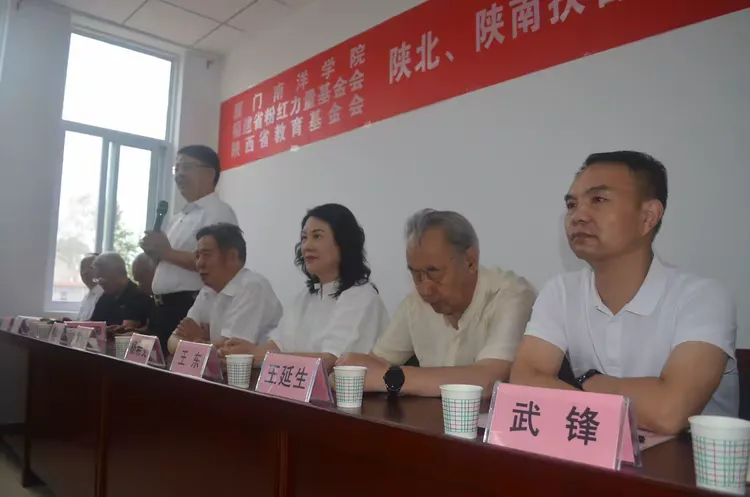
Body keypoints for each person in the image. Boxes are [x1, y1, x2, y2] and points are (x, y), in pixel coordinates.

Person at [510, 151, 738, 435]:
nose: (577, 216)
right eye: (571, 204)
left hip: (690, 460)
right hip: (600, 454)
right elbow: (524, 383)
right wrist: (613, 392)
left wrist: (587, 382)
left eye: (598, 200)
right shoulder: (561, 291)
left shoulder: (703, 298)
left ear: (648, 217)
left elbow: (669, 412)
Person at [337, 209, 536, 397]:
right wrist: (351, 368)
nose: (424, 289)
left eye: (434, 273)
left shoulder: (511, 295)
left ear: (470, 261)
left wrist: (392, 378)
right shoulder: (415, 304)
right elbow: (376, 364)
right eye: (416, 274)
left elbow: (488, 380)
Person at [220, 203, 389, 372]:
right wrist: (247, 352)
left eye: (317, 236)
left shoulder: (362, 297)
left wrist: (258, 357)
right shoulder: (306, 296)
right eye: (304, 238)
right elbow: (279, 345)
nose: (307, 246)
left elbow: (330, 361)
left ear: (343, 243)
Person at [140, 145, 238, 351]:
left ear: (209, 173)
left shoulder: (218, 212)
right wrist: (155, 254)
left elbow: (218, 264)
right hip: (160, 308)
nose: (179, 174)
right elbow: (168, 262)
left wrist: (166, 252)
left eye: (186, 167)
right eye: (177, 168)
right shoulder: (178, 218)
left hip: (188, 306)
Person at [167, 223, 282, 354]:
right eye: (197, 256)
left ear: (232, 256)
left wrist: (195, 341)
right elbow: (172, 341)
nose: (199, 263)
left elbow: (231, 350)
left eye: (206, 255)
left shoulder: (253, 287)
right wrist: (201, 342)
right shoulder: (207, 291)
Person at [89, 253, 154, 328]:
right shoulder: (104, 297)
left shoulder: (138, 297)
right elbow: (93, 324)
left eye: (102, 278)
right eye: (97, 279)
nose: (100, 283)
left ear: (118, 273)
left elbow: (125, 329)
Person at [75, 253, 103, 320]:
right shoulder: (86, 298)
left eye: (91, 267)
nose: (85, 272)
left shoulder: (104, 295)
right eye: (82, 268)